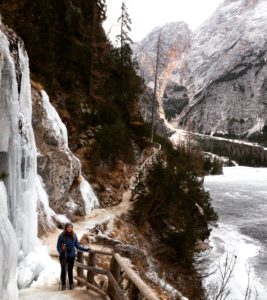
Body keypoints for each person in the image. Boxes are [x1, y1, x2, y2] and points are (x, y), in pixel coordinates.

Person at [57, 223, 90, 290]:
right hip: (63, 255)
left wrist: (85, 249)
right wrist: (61, 252)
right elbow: (58, 246)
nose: (69, 228)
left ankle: (71, 284)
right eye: (68, 227)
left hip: (71, 255)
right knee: (63, 270)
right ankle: (63, 284)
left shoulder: (74, 235)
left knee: (70, 270)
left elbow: (77, 245)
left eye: (71, 227)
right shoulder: (61, 236)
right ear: (66, 228)